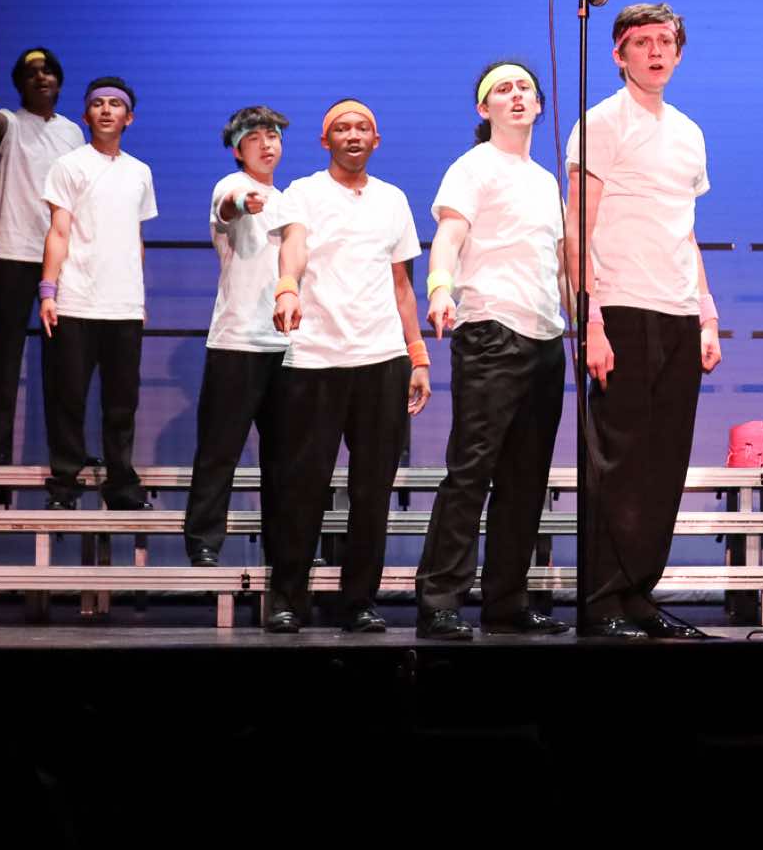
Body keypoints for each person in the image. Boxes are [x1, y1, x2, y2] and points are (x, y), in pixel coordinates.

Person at [565, 4, 721, 639]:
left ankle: (638, 594)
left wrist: (707, 313)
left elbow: (686, 231)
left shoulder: (689, 132)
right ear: (618, 54)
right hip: (622, 307)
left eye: (665, 41)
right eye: (641, 42)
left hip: (678, 310)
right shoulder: (601, 123)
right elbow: (577, 228)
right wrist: (591, 321)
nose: (655, 52)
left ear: (679, 53)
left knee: (663, 462)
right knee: (619, 461)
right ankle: (602, 599)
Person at [413, 63, 573, 640]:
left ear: (539, 104)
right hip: (490, 330)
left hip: (544, 337)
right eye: (502, 90)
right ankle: (439, 600)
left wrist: (585, 320)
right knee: (471, 469)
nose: (516, 96)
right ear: (484, 109)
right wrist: (439, 289)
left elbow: (559, 265)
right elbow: (449, 238)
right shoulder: (473, 167)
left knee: (526, 478)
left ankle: (506, 600)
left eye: (524, 88)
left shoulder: (547, 181)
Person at [267, 99, 432, 634]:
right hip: (316, 357)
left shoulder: (393, 199)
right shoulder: (304, 192)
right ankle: (287, 599)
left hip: (381, 359)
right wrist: (287, 286)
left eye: (363, 128)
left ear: (376, 140)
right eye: (342, 128)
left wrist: (418, 354)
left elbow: (402, 286)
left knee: (372, 491)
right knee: (303, 486)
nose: (353, 135)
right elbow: (293, 246)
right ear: (326, 141)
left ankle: (359, 601)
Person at [182, 106, 296, 567]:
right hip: (237, 343)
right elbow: (229, 205)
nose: (267, 145)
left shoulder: (290, 200)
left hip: (286, 346)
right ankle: (203, 541)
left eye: (273, 136)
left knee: (284, 457)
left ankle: (283, 546)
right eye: (255, 138)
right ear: (237, 149)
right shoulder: (231, 185)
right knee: (219, 449)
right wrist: (245, 202)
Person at [37, 76, 156, 511]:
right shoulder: (69, 165)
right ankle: (65, 484)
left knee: (122, 403)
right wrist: (48, 290)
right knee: (68, 397)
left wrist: (139, 298)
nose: (107, 110)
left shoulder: (140, 172)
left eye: (115, 104)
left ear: (129, 117)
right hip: (75, 300)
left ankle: (121, 484)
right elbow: (59, 230)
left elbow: (135, 238)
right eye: (98, 104)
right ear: (86, 115)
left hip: (123, 306)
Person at [0, 47, 82, 466]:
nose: (41, 78)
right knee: (5, 352)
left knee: (64, 358)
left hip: (62, 255)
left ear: (59, 81)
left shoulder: (72, 133)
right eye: (32, 73)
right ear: (20, 83)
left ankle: (66, 450)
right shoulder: (12, 123)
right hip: (14, 252)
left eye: (48, 71)